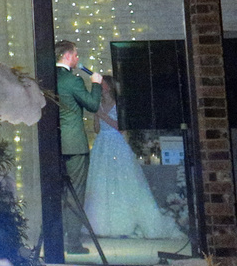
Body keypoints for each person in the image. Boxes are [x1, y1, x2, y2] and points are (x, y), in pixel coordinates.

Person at [84, 77, 188, 246]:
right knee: (102, 182)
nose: (101, 88)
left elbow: (120, 126)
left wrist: (102, 115)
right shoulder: (98, 104)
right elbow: (96, 129)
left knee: (124, 182)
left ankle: (124, 222)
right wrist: (96, 116)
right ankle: (100, 224)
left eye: (103, 85)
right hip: (102, 144)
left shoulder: (119, 105)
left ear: (109, 87)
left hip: (116, 143)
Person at [54, 40, 102, 210]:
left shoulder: (49, 78)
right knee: (76, 191)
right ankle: (72, 235)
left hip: (54, 144)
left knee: (56, 192)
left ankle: (58, 232)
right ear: (67, 56)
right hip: (74, 144)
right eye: (75, 54)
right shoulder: (73, 81)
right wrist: (96, 84)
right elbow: (93, 105)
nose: (77, 57)